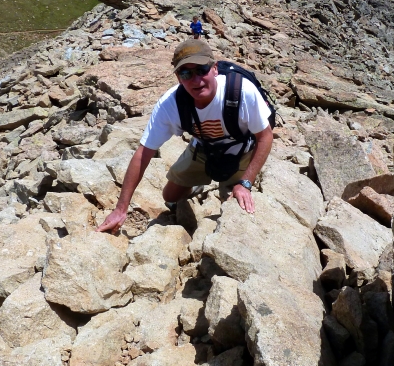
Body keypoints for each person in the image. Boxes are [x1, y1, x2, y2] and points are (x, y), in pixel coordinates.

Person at [96, 39, 273, 234]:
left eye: (201, 70)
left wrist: (245, 183)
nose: (196, 80)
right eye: (186, 73)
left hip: (241, 151)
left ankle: (230, 184)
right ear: (178, 77)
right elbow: (143, 153)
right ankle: (198, 184)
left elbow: (265, 137)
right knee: (170, 196)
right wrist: (121, 210)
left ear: (215, 69)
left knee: (234, 204)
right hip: (204, 149)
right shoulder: (170, 105)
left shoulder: (241, 91)